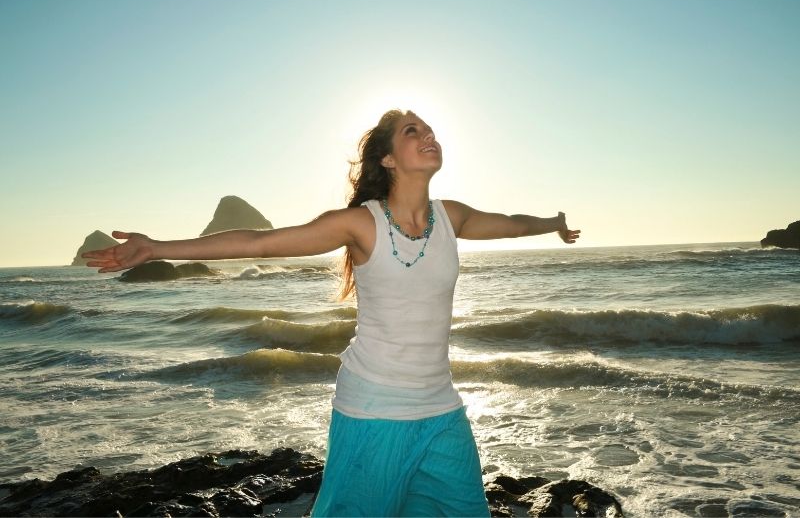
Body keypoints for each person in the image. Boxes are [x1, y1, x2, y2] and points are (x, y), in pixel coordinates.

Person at [83, 109, 580, 516]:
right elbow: (261, 244)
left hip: (441, 409)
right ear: (388, 158)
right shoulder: (359, 224)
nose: (429, 135)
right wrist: (157, 248)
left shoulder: (451, 216)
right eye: (414, 131)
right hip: (373, 410)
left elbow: (512, 224)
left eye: (430, 129)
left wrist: (551, 223)